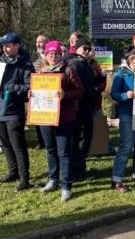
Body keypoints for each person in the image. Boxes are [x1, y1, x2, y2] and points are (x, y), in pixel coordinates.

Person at [35, 41, 83, 202]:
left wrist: (66, 95)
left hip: (65, 118)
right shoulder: (41, 73)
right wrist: (31, 95)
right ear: (46, 56)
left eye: (56, 53)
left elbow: (79, 91)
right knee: (50, 149)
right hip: (45, 117)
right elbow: (35, 91)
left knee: (64, 152)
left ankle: (66, 186)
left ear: (60, 55)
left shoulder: (68, 70)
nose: (53, 56)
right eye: (50, 53)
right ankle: (53, 179)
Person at [0, 32, 34, 192]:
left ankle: (25, 178)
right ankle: (13, 172)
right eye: (3, 46)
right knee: (6, 144)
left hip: (14, 112)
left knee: (18, 146)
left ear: (17, 46)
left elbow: (30, 86)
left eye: (8, 46)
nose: (4, 49)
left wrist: (13, 88)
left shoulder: (25, 64)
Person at [110, 49, 135, 191]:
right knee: (126, 146)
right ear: (132, 60)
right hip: (127, 114)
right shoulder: (121, 74)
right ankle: (117, 179)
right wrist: (125, 95)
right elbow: (114, 94)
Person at [64, 37, 96, 181]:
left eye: (89, 48)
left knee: (83, 141)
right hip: (79, 109)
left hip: (85, 106)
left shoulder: (84, 63)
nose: (87, 51)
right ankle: (77, 172)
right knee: (79, 141)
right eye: (85, 48)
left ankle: (78, 170)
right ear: (76, 49)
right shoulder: (76, 63)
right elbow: (76, 87)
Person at [31, 34, 48, 150]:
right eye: (37, 42)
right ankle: (40, 141)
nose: (38, 44)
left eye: (41, 42)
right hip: (36, 89)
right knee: (37, 116)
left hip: (48, 88)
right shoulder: (32, 56)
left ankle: (48, 140)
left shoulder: (51, 54)